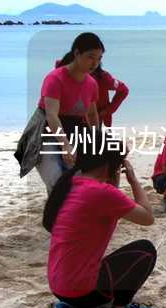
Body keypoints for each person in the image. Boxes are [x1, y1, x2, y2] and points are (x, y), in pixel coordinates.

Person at [44, 129, 157, 308]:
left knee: (91, 261)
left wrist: (113, 176)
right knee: (145, 250)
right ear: (109, 163)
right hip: (82, 292)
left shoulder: (70, 185)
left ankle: (71, 306)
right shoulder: (101, 193)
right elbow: (148, 217)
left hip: (59, 287)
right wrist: (133, 180)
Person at [15, 32, 103, 194]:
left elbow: (91, 114)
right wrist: (65, 145)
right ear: (77, 53)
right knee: (56, 181)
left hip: (75, 131)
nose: (95, 63)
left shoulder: (91, 83)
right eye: (91, 57)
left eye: (99, 59)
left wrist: (97, 139)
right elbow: (52, 115)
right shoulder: (55, 78)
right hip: (46, 131)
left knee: (80, 180)